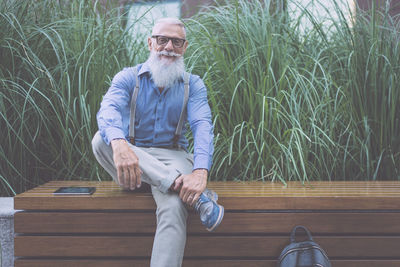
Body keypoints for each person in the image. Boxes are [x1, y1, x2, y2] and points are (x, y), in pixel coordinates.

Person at [91, 17, 224, 267]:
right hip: (131, 163)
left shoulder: (193, 85)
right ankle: (189, 191)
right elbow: (108, 109)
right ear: (150, 43)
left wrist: (200, 172)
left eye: (176, 42)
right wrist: (120, 144)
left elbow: (202, 126)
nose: (169, 47)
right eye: (162, 40)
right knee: (101, 139)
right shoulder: (128, 78)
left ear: (185, 47)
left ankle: (176, 185)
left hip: (172, 156)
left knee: (174, 206)